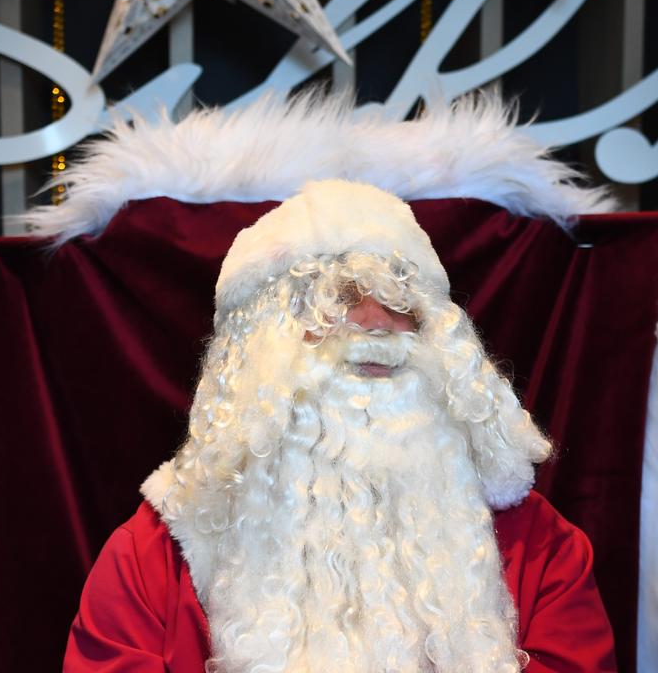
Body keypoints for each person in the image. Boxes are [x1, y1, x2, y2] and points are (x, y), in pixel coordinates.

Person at [64, 180, 617, 672]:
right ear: (258, 351)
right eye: (338, 299)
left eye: (402, 302)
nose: (376, 324)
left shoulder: (541, 549)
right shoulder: (151, 558)